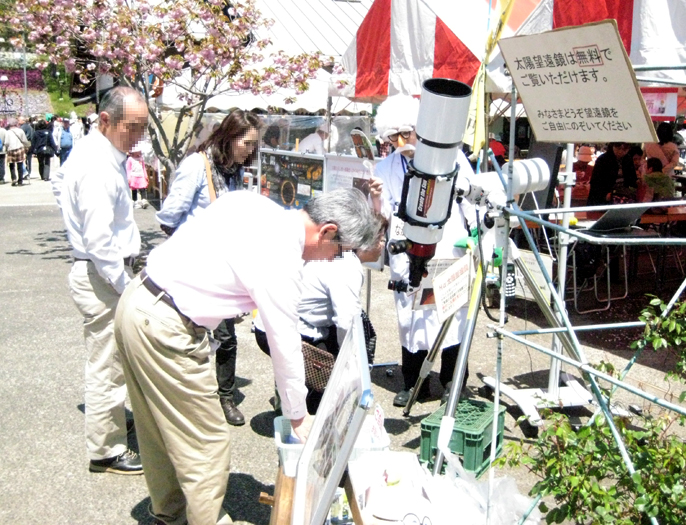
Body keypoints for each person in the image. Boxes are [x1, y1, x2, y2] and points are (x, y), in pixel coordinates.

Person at [114, 188, 379, 525]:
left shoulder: (254, 203)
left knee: (156, 429)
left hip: (138, 300)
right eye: (339, 250)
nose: (332, 258)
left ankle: (170, 515)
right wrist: (298, 416)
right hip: (166, 324)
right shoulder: (282, 259)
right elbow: (285, 346)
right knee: (206, 442)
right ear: (327, 230)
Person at [57, 86, 149, 475]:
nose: (139, 136)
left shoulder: (99, 155)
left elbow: (58, 185)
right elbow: (99, 239)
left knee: (111, 361)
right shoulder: (96, 164)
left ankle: (110, 423)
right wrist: (123, 284)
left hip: (101, 270)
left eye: (144, 127)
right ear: (106, 121)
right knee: (106, 365)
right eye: (133, 127)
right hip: (101, 273)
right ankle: (106, 450)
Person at [155, 109, 262, 427]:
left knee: (226, 338)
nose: (250, 150)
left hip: (225, 267)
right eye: (247, 143)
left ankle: (224, 396)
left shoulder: (233, 170)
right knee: (192, 337)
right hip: (193, 270)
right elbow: (168, 217)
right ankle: (185, 401)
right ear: (229, 137)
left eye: (253, 145)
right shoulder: (196, 166)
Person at [373, 94, 476, 407]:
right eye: (394, 136)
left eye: (406, 133)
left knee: (451, 314)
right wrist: (377, 201)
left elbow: (471, 197)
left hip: (448, 244)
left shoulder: (452, 157)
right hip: (407, 249)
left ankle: (452, 381)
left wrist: (475, 236)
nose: (402, 141)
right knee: (411, 317)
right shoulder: (385, 167)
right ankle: (412, 382)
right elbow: (386, 212)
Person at [254, 179, 386, 414]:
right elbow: (346, 321)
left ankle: (288, 397)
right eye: (379, 240)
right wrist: (352, 364)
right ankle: (306, 414)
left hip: (271, 323)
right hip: (283, 327)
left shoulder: (337, 250)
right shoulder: (347, 263)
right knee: (325, 376)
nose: (383, 245)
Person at [5, 118, 31, 186]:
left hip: (11, 149)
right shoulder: (20, 131)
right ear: (16, 123)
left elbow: (6, 142)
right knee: (20, 165)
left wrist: (6, 148)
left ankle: (13, 178)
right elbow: (24, 140)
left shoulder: (8, 132)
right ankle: (20, 180)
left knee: (11, 165)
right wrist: (27, 146)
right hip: (19, 148)